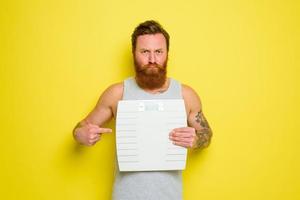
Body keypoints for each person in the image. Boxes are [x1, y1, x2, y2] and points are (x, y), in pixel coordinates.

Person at [73, 20, 213, 200]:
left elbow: (207, 134)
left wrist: (197, 139)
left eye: (158, 52)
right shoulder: (117, 94)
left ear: (167, 54)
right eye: (145, 52)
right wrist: (81, 134)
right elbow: (81, 128)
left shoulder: (185, 95)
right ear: (133, 53)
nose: (152, 59)